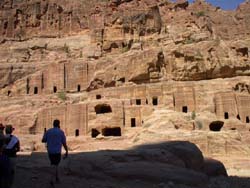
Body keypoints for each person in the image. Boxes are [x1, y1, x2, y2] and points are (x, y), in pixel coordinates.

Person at [42, 119, 68, 184]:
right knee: (55, 165)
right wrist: (66, 151)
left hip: (50, 151)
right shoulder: (61, 132)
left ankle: (57, 177)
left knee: (54, 164)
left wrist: (49, 139)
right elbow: (64, 143)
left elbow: (43, 140)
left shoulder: (48, 131)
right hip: (57, 151)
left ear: (53, 124)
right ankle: (51, 179)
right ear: (59, 124)